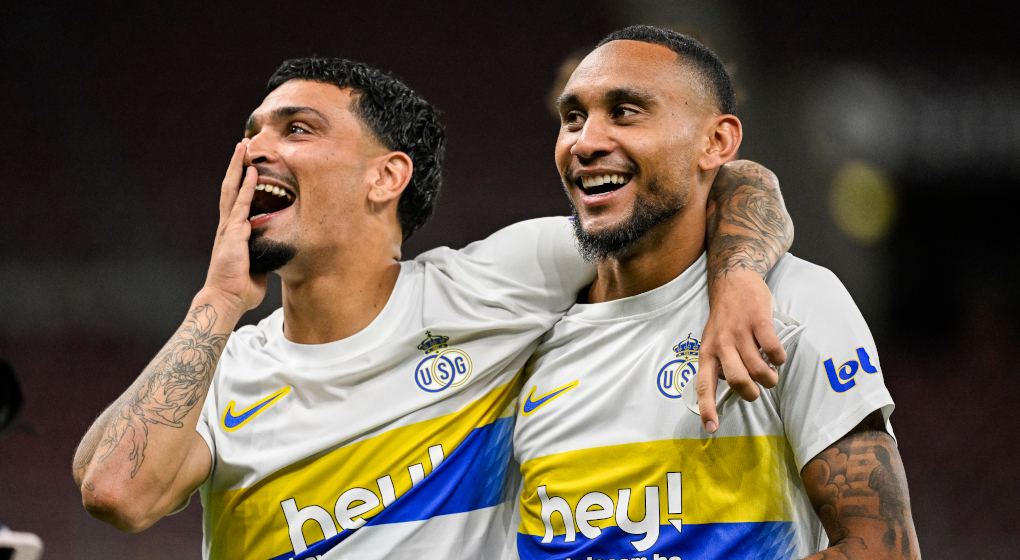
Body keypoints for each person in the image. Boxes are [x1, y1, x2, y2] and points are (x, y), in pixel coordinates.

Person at [72, 58, 792, 560]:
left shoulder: (496, 282)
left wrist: (738, 279)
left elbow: (729, 180)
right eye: (252, 130)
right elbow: (114, 492)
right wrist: (218, 300)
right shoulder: (225, 367)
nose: (253, 149)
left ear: (386, 177)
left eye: (296, 129)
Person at [508, 25, 919, 560]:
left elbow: (883, 549)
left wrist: (737, 275)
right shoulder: (522, 324)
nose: (585, 142)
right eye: (573, 118)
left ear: (716, 142)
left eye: (626, 112)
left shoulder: (792, 304)